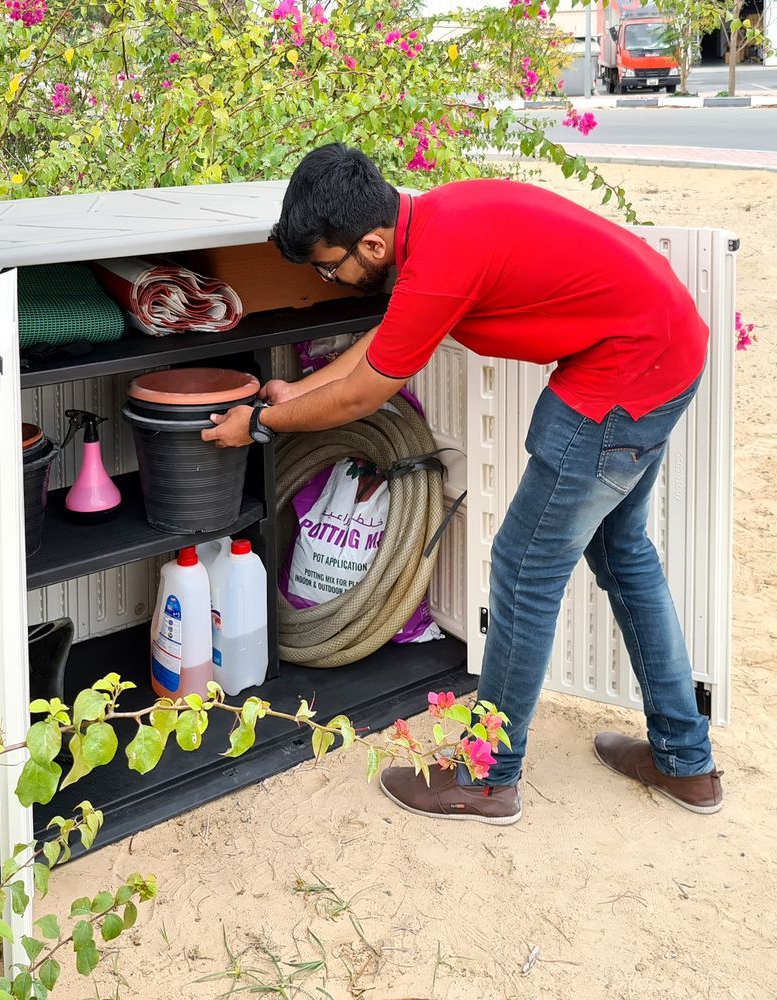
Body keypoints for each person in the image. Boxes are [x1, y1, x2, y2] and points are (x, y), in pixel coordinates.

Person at [201, 143, 723, 824]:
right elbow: (384, 342)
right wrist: (296, 391)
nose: (330, 279)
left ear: (372, 242)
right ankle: (686, 762)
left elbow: (362, 395)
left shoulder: (441, 264)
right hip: (663, 348)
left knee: (523, 568)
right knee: (623, 553)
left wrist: (263, 421)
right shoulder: (437, 222)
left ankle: (486, 776)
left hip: (621, 378)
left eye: (330, 267)